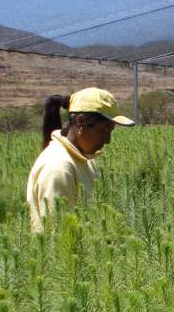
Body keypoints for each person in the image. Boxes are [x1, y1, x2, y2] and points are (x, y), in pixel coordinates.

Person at [27, 87, 135, 233]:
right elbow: (56, 238)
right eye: (103, 131)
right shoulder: (59, 168)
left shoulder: (84, 160)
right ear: (80, 122)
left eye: (110, 133)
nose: (108, 140)